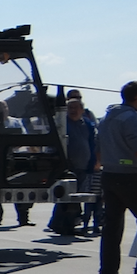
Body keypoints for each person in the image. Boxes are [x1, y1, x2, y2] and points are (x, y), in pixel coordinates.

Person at [97, 81, 137, 274]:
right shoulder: (131, 118)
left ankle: (108, 271)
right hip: (131, 176)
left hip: (110, 175)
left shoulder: (107, 118)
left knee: (112, 226)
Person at [48, 98, 96, 235]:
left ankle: (61, 223)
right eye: (70, 108)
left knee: (74, 197)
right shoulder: (62, 124)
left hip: (84, 166)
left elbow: (93, 143)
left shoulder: (87, 124)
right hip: (67, 166)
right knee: (67, 197)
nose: (73, 111)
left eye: (76, 108)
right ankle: (63, 225)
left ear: (82, 110)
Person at [0, 101, 31, 226]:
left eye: (4, 107)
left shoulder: (16, 122)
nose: (3, 110)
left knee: (19, 187)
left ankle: (23, 218)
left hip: (14, 158)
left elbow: (24, 138)